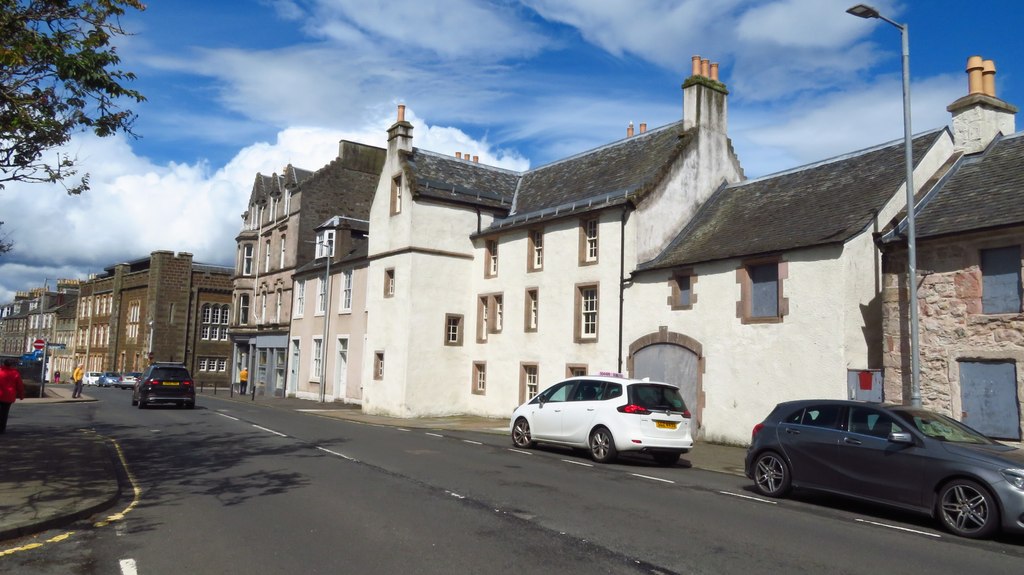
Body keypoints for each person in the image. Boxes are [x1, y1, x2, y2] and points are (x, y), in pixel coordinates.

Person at [0, 358, 26, 433]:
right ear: (11, 365)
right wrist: (21, 395)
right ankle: (2, 428)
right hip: (8, 396)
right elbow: (19, 386)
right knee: (4, 413)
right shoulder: (15, 373)